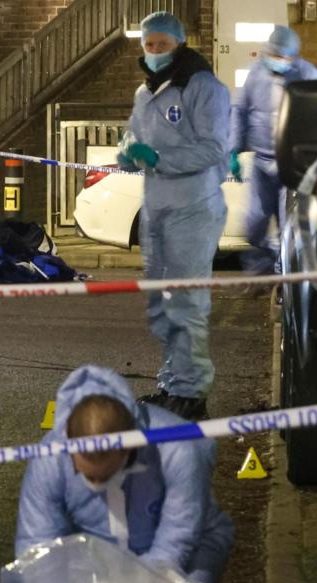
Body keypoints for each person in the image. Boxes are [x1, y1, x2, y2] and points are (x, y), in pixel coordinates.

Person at [16, 365, 234, 583]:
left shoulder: (177, 449)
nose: (97, 484)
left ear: (129, 449)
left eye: (107, 475)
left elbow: (180, 533)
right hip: (94, 547)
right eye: (88, 476)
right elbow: (37, 541)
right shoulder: (50, 457)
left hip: (189, 544)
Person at [119, 11, 230, 421]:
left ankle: (192, 393)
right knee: (165, 305)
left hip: (193, 207)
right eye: (148, 45)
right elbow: (134, 136)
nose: (154, 52)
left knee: (186, 303)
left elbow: (213, 148)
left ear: (179, 44)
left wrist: (159, 158)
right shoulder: (145, 92)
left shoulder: (202, 87)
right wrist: (129, 152)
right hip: (157, 208)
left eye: (162, 45)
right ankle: (172, 385)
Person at [230, 26, 317, 276]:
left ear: (293, 56)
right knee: (254, 224)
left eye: (282, 57)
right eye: (273, 55)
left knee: (288, 225)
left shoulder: (308, 75)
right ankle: (262, 270)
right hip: (261, 161)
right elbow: (240, 110)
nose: (277, 61)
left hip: (290, 163)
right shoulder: (255, 74)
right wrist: (233, 149)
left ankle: (284, 275)